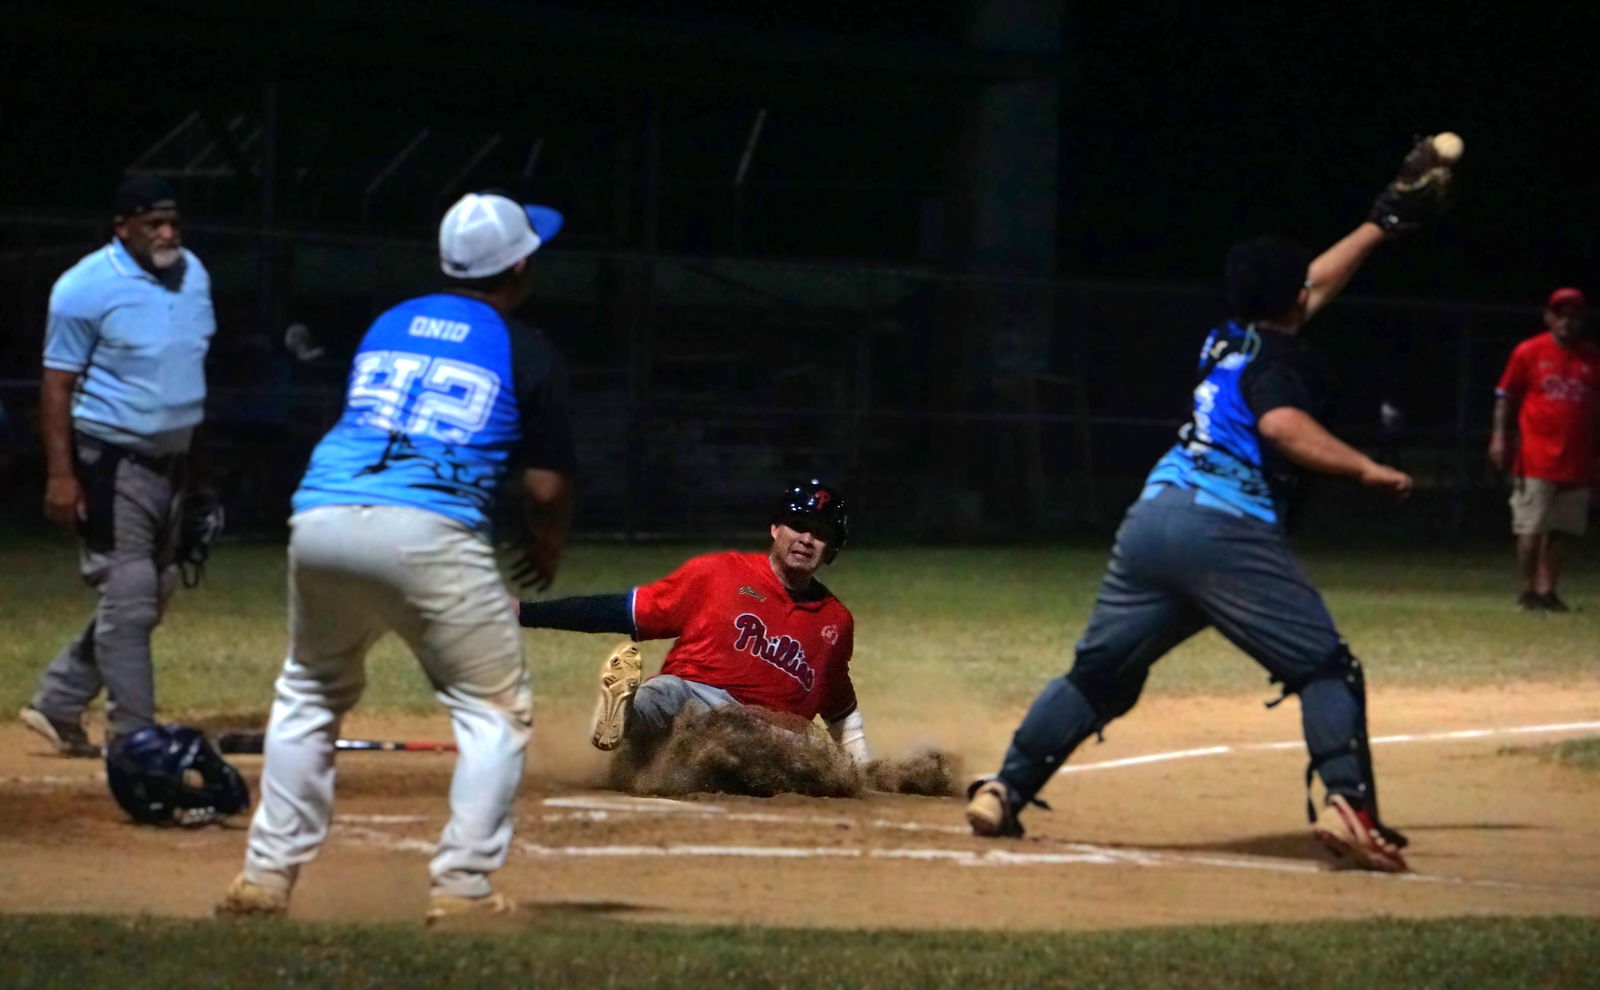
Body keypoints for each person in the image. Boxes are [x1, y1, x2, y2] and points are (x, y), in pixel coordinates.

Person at [964, 138, 1460, 874]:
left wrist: (1382, 223)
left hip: (1153, 519)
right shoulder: (1285, 359)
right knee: (1326, 668)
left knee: (1099, 678)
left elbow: (1308, 288)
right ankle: (1352, 809)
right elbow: (1281, 426)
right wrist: (1367, 469)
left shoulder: (1225, 340)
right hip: (1224, 528)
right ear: (1292, 301)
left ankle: (1005, 789)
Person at [215, 191, 577, 923]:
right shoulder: (526, 346)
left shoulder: (387, 324)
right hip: (430, 531)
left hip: (320, 514)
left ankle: (265, 876)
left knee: (310, 692)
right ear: (518, 266)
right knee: (493, 713)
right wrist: (547, 542)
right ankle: (463, 885)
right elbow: (544, 485)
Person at [21, 176, 216, 759]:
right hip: (110, 459)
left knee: (152, 591)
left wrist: (199, 462)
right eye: (153, 223)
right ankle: (135, 737)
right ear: (121, 226)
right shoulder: (83, 288)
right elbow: (56, 385)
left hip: (173, 462)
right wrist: (61, 474)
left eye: (173, 221)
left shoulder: (194, 275)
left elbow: (187, 367)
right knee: (130, 594)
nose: (166, 233)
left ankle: (58, 699)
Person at [518, 480, 869, 766]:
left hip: (771, 734)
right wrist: (528, 613)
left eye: (821, 533)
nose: (807, 540)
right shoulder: (718, 574)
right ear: (775, 528)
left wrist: (864, 773)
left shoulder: (835, 622)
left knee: (795, 748)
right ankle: (622, 719)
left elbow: (841, 711)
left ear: (832, 548)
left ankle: (672, 752)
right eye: (799, 525)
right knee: (663, 693)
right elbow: (622, 610)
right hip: (693, 701)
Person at [1487, 287, 1600, 612]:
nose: (1567, 321)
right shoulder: (1529, 351)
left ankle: (1548, 589)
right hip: (1536, 457)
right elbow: (1505, 396)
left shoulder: (1591, 358)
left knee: (1563, 529)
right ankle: (1526, 592)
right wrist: (1499, 437)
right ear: (1549, 317)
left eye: (1573, 315)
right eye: (1560, 314)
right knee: (1530, 527)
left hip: (1577, 459)